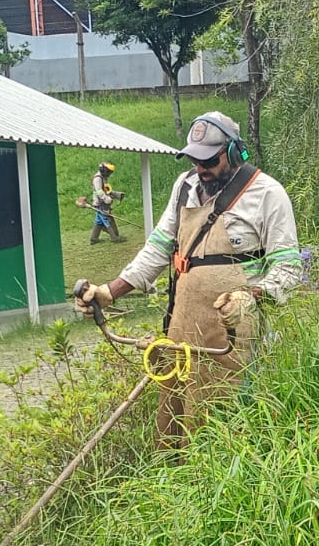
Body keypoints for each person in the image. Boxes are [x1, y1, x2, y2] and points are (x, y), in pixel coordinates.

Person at [76, 112, 302, 449]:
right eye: (195, 159)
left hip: (233, 337)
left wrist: (253, 296)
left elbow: (289, 268)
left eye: (209, 160)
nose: (201, 168)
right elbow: (159, 245)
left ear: (235, 151)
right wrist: (111, 291)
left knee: (224, 431)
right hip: (181, 331)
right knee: (174, 426)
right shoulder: (185, 187)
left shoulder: (268, 194)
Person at [88, 161, 125, 244]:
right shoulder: (97, 179)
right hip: (101, 204)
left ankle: (94, 238)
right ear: (103, 169)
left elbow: (107, 190)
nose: (109, 173)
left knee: (99, 221)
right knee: (107, 219)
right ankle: (114, 237)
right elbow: (99, 191)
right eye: (108, 171)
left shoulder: (103, 178)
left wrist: (117, 195)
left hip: (102, 203)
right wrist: (106, 199)